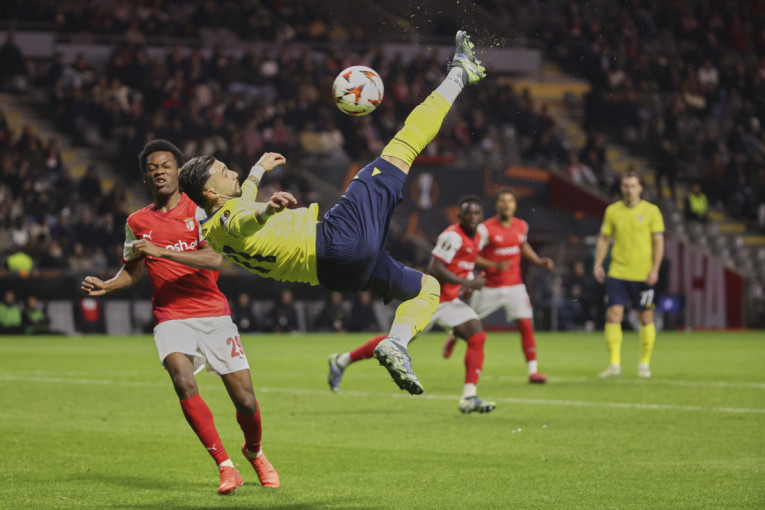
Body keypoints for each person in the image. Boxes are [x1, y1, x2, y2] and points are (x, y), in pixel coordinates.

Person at [178, 31, 486, 396]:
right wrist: (266, 210)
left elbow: (239, 202)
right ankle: (460, 73)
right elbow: (242, 219)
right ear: (211, 192)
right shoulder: (225, 221)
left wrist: (258, 171)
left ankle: (397, 343)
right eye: (224, 171)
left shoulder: (216, 220)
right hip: (334, 240)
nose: (232, 172)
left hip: (336, 273)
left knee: (427, 289)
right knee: (400, 149)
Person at [81, 139, 280, 495]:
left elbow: (214, 259)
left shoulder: (200, 209)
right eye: (153, 167)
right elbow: (133, 270)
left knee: (246, 401)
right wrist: (108, 286)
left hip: (214, 313)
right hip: (170, 315)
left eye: (166, 165)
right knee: (182, 380)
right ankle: (225, 466)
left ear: (179, 172)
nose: (159, 171)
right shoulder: (137, 221)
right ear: (146, 178)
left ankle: (254, 452)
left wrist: (161, 251)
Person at [327, 196, 496, 414]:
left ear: (482, 217)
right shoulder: (452, 236)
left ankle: (469, 397)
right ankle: (342, 360)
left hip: (450, 301)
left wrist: (467, 282)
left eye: (476, 213)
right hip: (430, 299)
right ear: (459, 216)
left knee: (477, 336)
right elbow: (435, 268)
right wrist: (468, 282)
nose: (472, 217)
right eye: (467, 213)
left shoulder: (479, 236)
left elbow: (463, 264)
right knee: (395, 342)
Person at [442, 188, 554, 383]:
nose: (506, 204)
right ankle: (453, 337)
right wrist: (493, 266)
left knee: (526, 324)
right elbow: (472, 254)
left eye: (510, 201)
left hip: (515, 286)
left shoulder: (521, 226)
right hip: (488, 287)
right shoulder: (485, 228)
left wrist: (538, 261)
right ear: (497, 205)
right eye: (503, 201)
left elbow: (522, 244)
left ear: (515, 205)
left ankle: (533, 371)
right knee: (468, 323)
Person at [593, 171, 664, 378]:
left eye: (633, 185)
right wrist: (598, 263)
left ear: (640, 188)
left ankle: (644, 363)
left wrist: (655, 269)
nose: (629, 189)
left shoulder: (651, 211)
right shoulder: (612, 211)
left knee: (645, 316)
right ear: (621, 188)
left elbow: (658, 241)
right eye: (626, 186)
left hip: (643, 274)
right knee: (613, 314)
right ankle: (614, 364)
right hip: (618, 271)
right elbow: (604, 238)